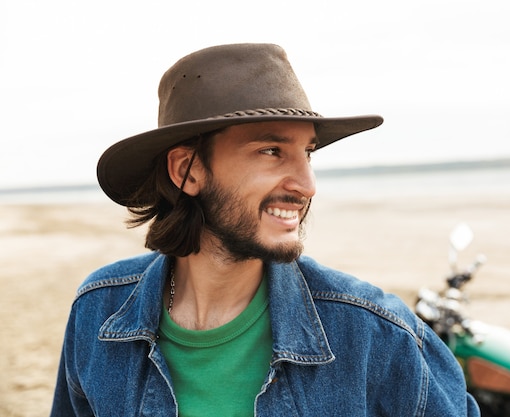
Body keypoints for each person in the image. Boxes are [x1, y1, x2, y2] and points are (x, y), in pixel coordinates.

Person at [51, 43, 479, 416]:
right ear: (188, 170)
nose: (307, 185)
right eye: (272, 150)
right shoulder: (98, 313)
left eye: (307, 153)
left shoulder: (374, 334)